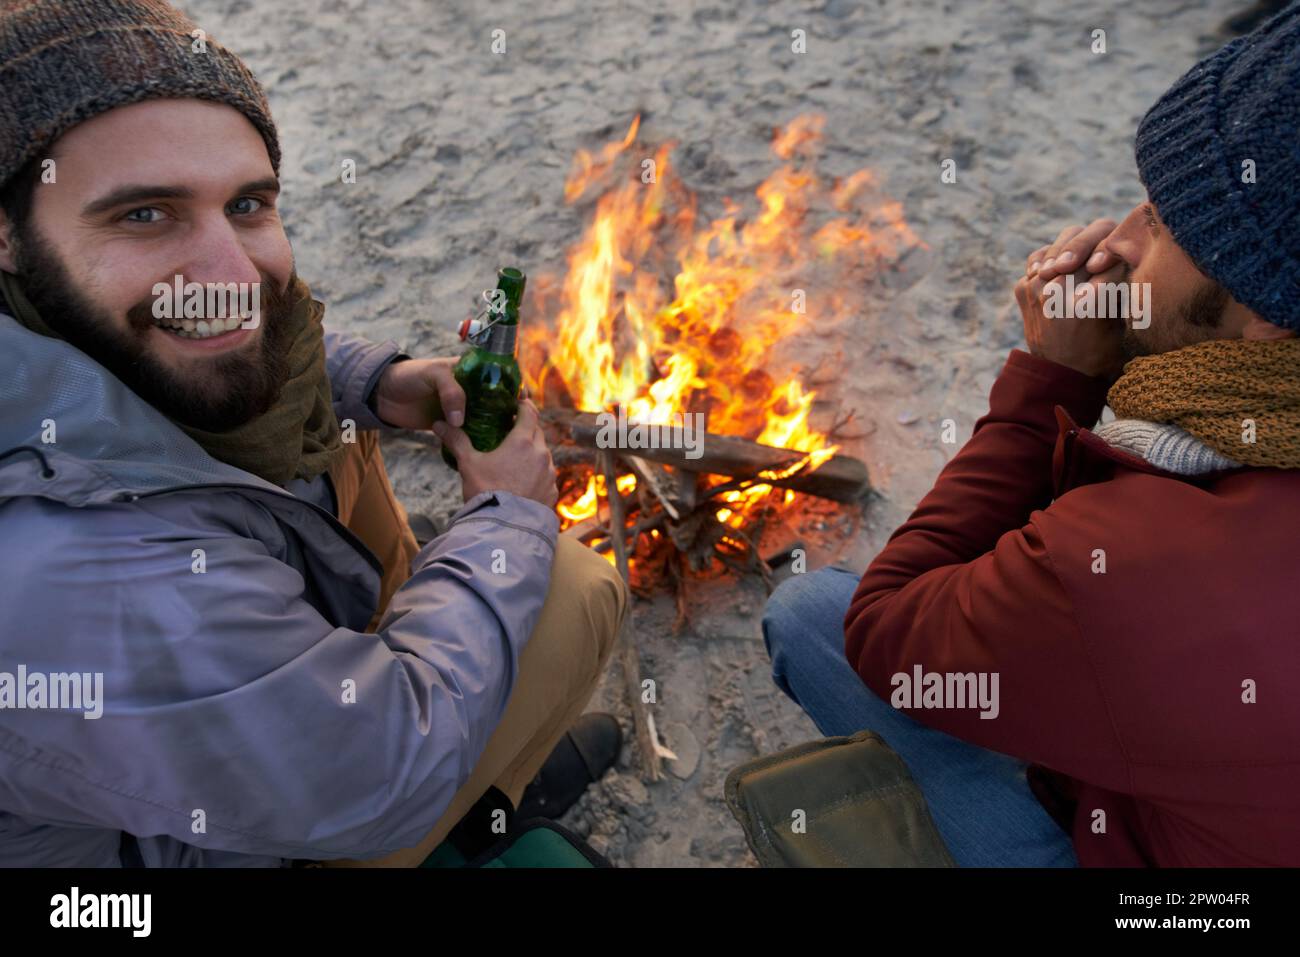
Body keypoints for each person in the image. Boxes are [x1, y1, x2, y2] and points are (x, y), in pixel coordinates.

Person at [0, 0, 626, 867]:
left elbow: (202, 351)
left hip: (224, 740)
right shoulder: (80, 577)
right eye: (145, 214)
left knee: (317, 422)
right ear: (8, 231)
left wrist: (378, 382)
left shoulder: (38, 324)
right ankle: (474, 801)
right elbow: (380, 777)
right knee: (570, 581)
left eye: (249, 203)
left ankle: (476, 762)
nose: (230, 275)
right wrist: (506, 514)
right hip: (235, 836)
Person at [763, 5, 1300, 866]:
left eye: (1164, 225)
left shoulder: (1145, 556)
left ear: (1268, 327)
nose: (1120, 237)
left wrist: (1053, 383)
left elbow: (889, 631)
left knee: (814, 614)